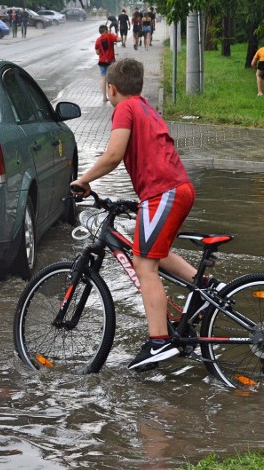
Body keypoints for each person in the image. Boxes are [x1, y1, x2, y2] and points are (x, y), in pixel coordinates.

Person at [71, 58, 200, 371]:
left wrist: (83, 180)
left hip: (163, 193)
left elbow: (114, 154)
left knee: (143, 263)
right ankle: (208, 288)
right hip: (176, 189)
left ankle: (158, 343)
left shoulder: (125, 109)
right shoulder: (145, 106)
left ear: (111, 88)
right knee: (153, 251)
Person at [94, 25, 120, 101]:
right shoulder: (110, 36)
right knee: (111, 78)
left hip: (102, 62)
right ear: (105, 30)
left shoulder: (98, 40)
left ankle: (104, 97)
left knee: (103, 78)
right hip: (111, 61)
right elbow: (119, 39)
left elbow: (97, 52)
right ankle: (112, 95)